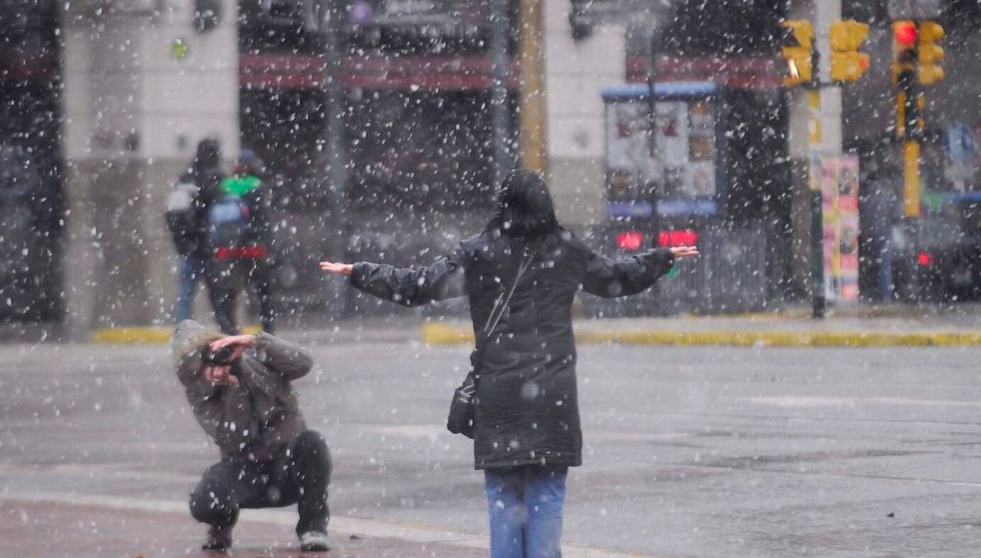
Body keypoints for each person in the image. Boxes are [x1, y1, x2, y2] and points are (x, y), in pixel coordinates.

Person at [319, 169, 698, 558]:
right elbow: (616, 278)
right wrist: (663, 258)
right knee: (547, 495)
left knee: (504, 499)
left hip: (499, 395)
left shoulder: (478, 252)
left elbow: (418, 285)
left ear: (503, 206)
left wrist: (360, 273)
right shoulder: (567, 250)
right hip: (552, 397)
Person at [172, 320, 332, 552]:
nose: (218, 368)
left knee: (312, 443)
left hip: (288, 470)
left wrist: (255, 341)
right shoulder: (201, 396)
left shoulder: (259, 363)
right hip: (245, 474)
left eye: (218, 358)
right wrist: (234, 390)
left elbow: (304, 363)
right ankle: (221, 525)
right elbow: (235, 438)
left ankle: (313, 527)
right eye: (206, 364)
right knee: (206, 499)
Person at [209, 149, 277, 334]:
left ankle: (230, 331)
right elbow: (263, 220)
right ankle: (267, 331)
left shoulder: (224, 186)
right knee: (263, 292)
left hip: (228, 248)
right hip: (253, 247)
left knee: (229, 293)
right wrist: (268, 247)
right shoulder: (257, 185)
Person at [167, 138, 227, 326]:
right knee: (218, 299)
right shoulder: (219, 179)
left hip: (190, 247)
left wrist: (182, 242)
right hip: (211, 249)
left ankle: (182, 333)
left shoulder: (186, 178)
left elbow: (172, 214)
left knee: (185, 296)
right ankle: (224, 334)